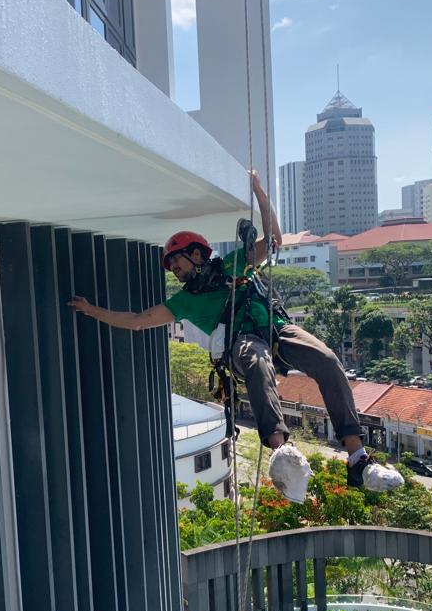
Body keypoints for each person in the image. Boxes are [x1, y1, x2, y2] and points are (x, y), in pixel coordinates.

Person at [69, 172, 403, 503]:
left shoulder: (233, 264)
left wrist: (259, 191)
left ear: (196, 253)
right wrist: (92, 310)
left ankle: (358, 458)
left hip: (276, 329)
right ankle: (280, 449)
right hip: (241, 342)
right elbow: (139, 321)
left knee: (327, 360)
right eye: (171, 268)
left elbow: (273, 240)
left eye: (177, 262)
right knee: (258, 362)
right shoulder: (186, 300)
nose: (175, 271)